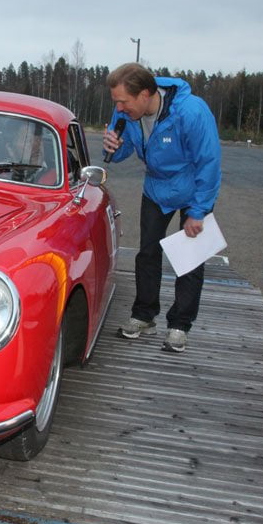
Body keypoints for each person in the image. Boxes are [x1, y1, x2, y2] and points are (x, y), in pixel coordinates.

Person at [102, 63, 221, 353]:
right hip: (156, 188)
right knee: (147, 253)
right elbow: (124, 151)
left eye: (123, 101)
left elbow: (209, 162)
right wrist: (112, 148)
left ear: (145, 94)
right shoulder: (126, 113)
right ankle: (144, 316)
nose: (118, 107)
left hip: (192, 189)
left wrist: (198, 211)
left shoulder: (192, 111)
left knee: (189, 259)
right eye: (115, 101)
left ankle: (180, 326)